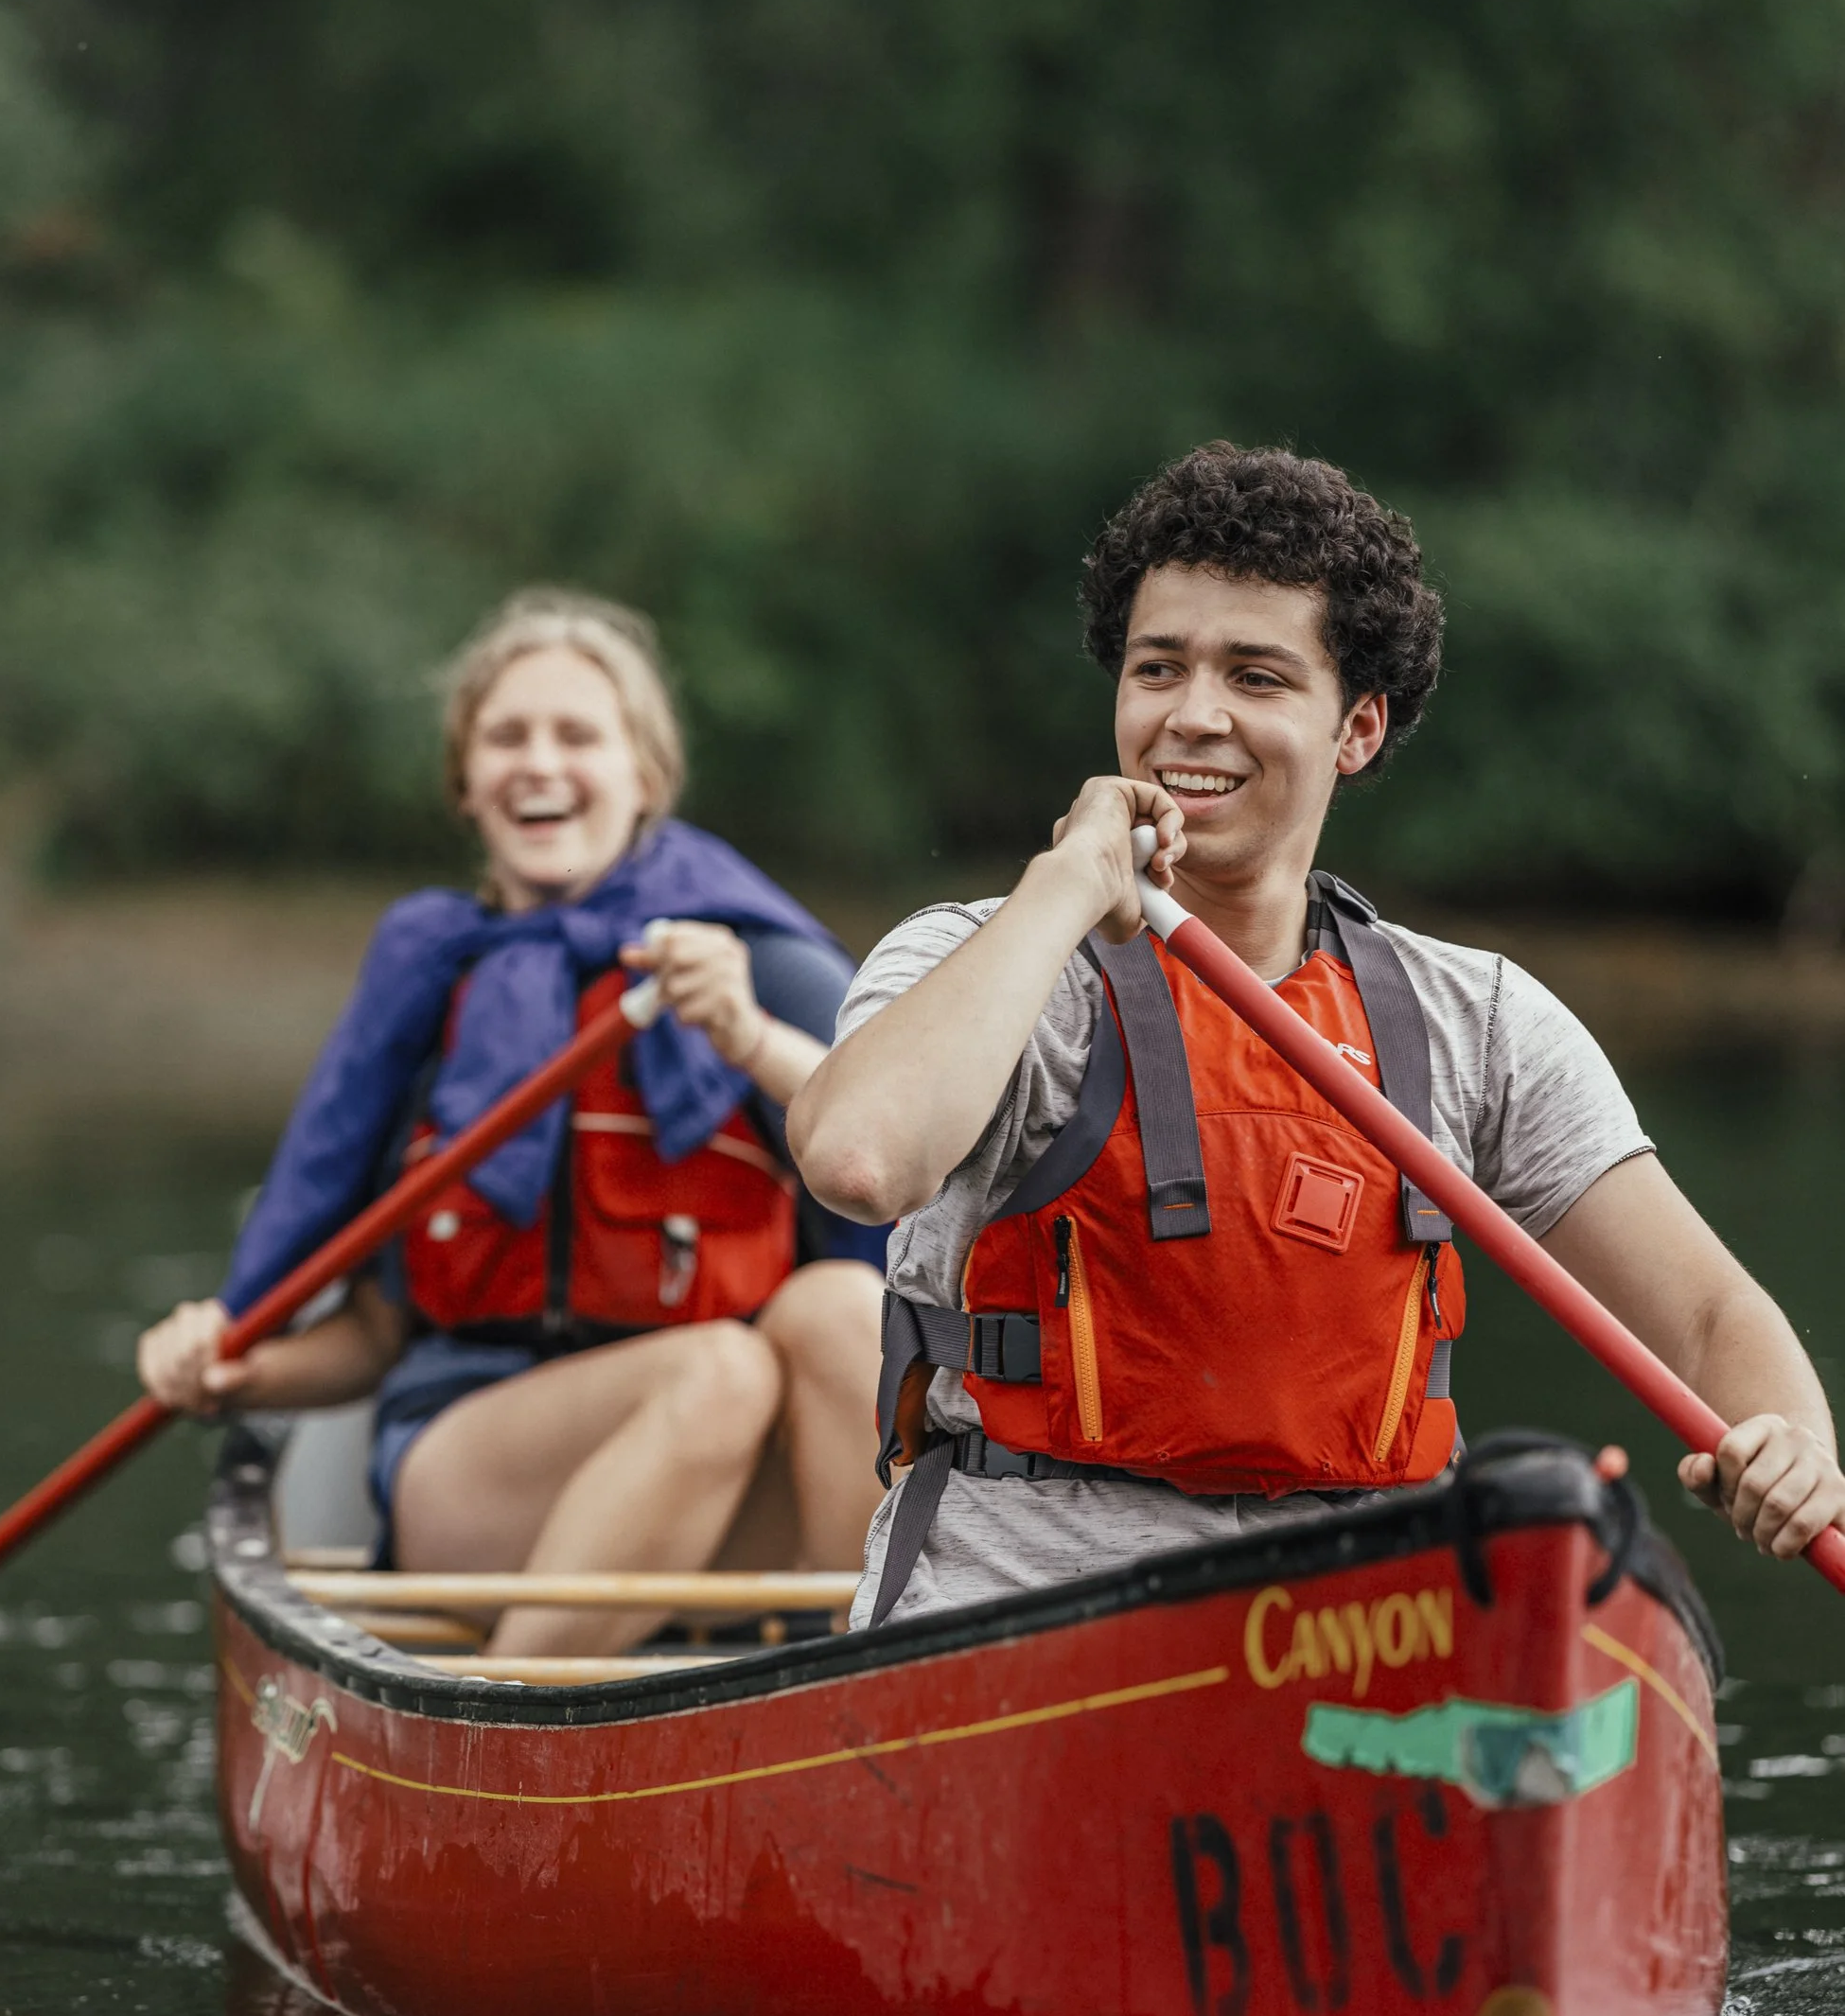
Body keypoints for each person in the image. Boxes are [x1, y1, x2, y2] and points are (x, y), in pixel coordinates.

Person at [790, 442, 1845, 1625]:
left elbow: (1709, 1316)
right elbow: (857, 1162)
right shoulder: (982, 960)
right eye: (1158, 669)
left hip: (1366, 1629)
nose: (1193, 716)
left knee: (1564, 1527)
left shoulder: (1476, 1021)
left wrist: (1793, 1441)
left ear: (1355, 731)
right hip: (1021, 1621)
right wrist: (1068, 883)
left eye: (1256, 677)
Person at [137, 588, 885, 1659]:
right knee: (715, 1369)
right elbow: (375, 1334)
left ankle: (867, 1689)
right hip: (479, 1476)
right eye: (506, 738)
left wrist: (745, 1034)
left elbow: (903, 1160)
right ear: (465, 785)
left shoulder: (750, 964)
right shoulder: (433, 990)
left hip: (728, 1493)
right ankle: (515, 1722)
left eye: (577, 735)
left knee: (840, 1307)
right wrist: (226, 1367)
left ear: (645, 778)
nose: (540, 763)